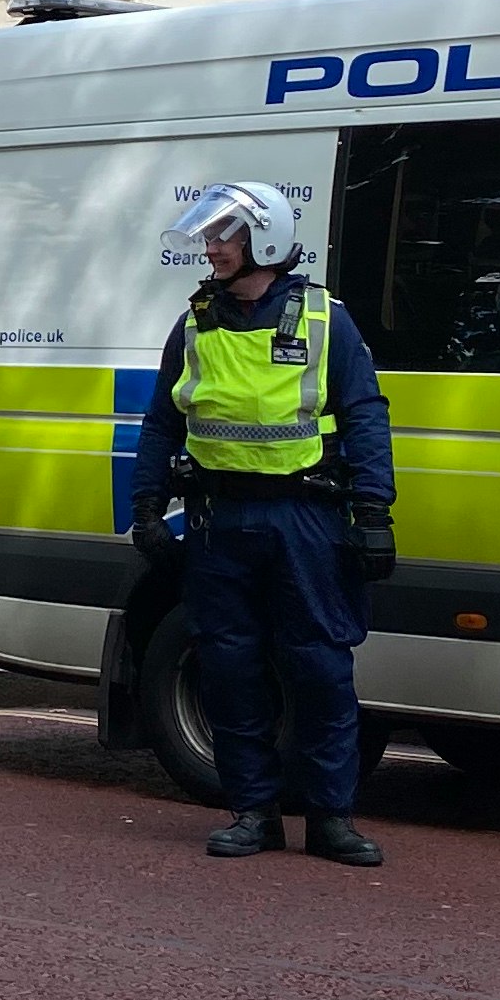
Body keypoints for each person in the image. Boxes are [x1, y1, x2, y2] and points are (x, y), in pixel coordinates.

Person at [129, 182, 395, 867]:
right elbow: (162, 422)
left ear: (266, 240)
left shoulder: (323, 318)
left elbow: (365, 413)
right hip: (220, 521)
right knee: (229, 669)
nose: (211, 248)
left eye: (225, 235)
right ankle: (252, 813)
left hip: (304, 517)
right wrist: (147, 508)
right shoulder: (193, 323)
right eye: (210, 236)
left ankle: (331, 817)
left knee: (320, 669)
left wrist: (372, 510)